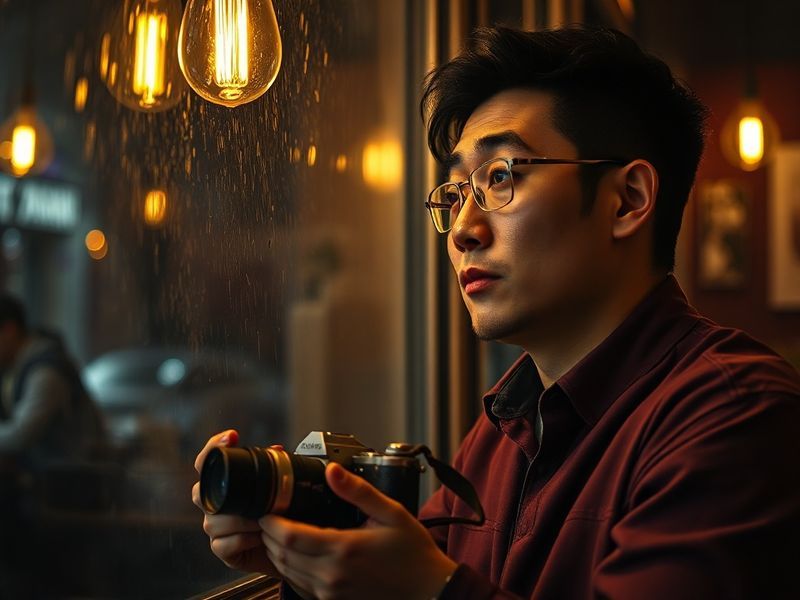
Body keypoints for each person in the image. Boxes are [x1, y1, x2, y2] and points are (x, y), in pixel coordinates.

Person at [191, 25, 800, 599]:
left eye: (503, 176)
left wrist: (431, 590)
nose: (462, 229)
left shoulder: (735, 411)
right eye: (457, 192)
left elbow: (426, 583)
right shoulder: (502, 429)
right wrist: (304, 563)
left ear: (627, 200)